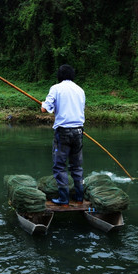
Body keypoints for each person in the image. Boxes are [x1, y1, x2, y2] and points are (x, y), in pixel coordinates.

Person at [41, 64, 85, 206]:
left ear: (59, 76)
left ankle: (64, 199)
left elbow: (44, 109)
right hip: (79, 131)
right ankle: (79, 198)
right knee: (76, 166)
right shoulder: (80, 90)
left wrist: (43, 104)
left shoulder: (56, 88)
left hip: (63, 132)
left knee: (60, 166)